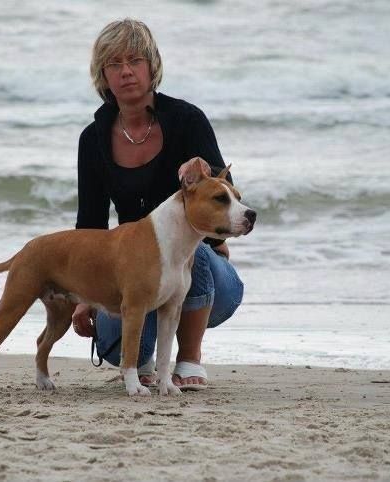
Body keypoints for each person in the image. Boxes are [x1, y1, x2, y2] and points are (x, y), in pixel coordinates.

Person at [71, 18, 244, 390]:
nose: (126, 71)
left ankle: (189, 359)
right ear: (103, 75)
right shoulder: (93, 138)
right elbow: (90, 224)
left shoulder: (187, 120)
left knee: (191, 249)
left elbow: (224, 196)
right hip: (130, 272)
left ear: (152, 67)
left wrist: (204, 171)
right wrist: (83, 294)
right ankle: (143, 361)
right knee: (115, 343)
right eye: (114, 63)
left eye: (135, 60)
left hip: (203, 272)